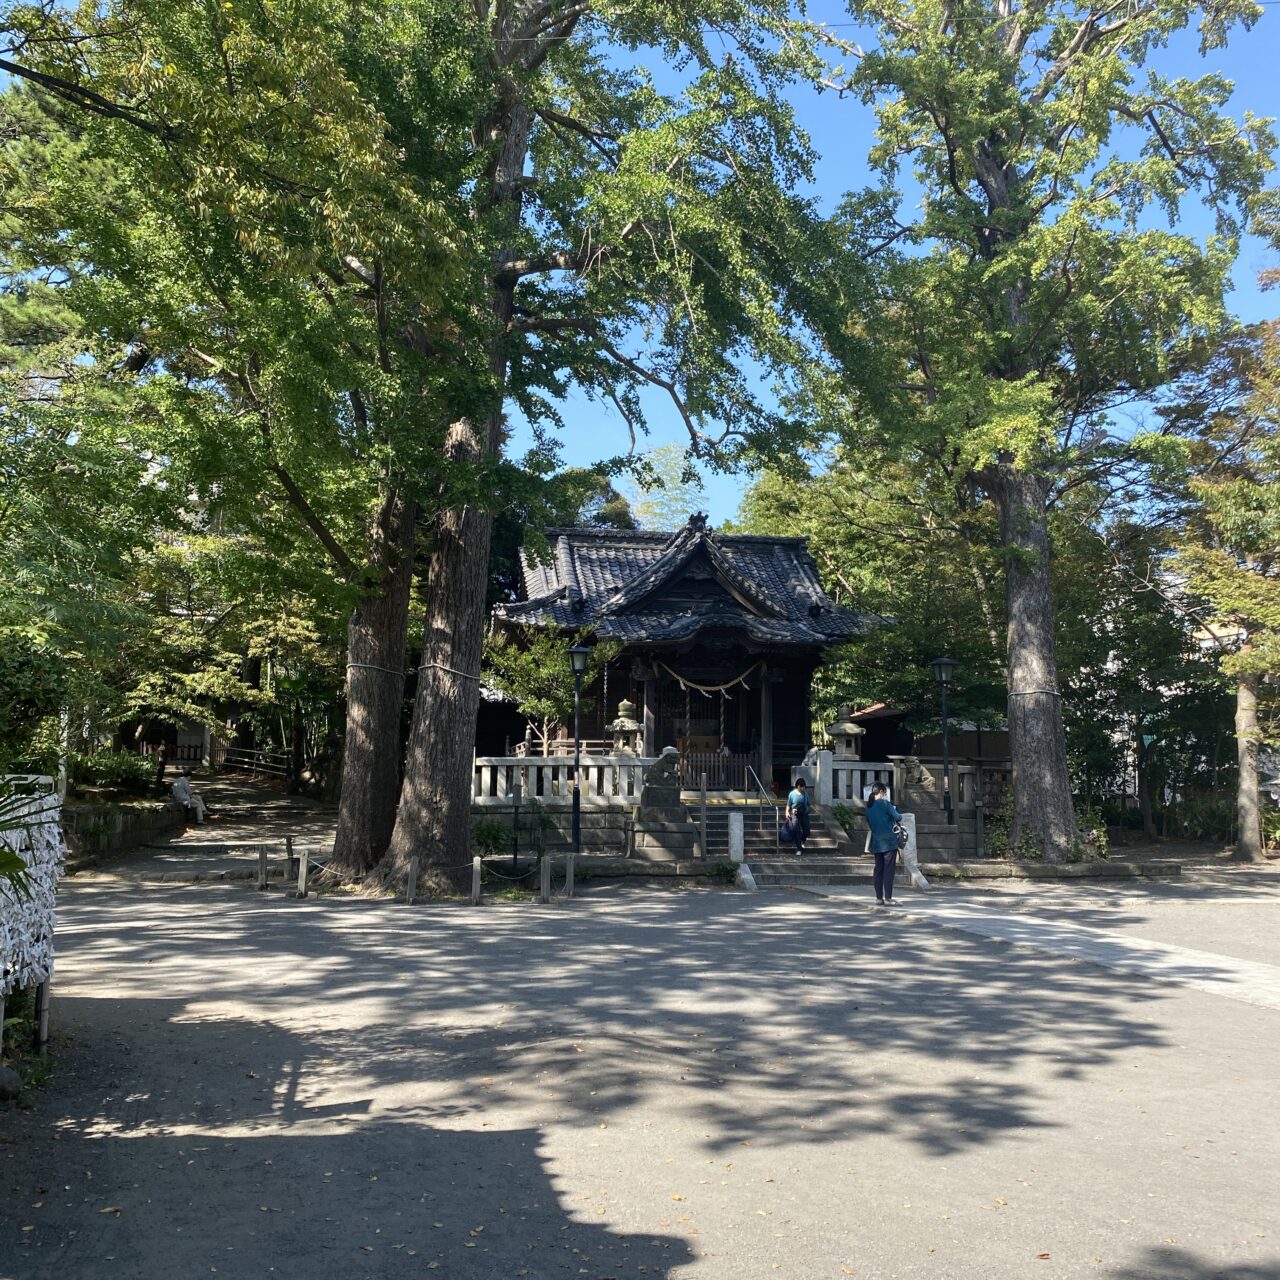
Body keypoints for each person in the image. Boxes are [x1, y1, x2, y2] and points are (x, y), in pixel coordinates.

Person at [864, 782, 903, 905]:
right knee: (889, 870)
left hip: (877, 843)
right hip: (889, 842)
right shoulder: (886, 804)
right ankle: (888, 898)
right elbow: (898, 817)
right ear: (881, 791)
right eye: (884, 793)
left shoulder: (868, 808)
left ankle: (878, 898)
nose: (885, 795)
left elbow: (870, 825)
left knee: (878, 870)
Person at [785, 776, 811, 857]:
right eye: (802, 787)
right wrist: (787, 812)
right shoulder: (792, 794)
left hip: (804, 813)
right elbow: (789, 804)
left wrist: (808, 809)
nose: (803, 788)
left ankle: (802, 842)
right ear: (798, 786)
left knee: (807, 831)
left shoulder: (805, 793)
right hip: (794, 814)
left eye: (804, 787)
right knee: (797, 832)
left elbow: (809, 804)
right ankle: (799, 849)